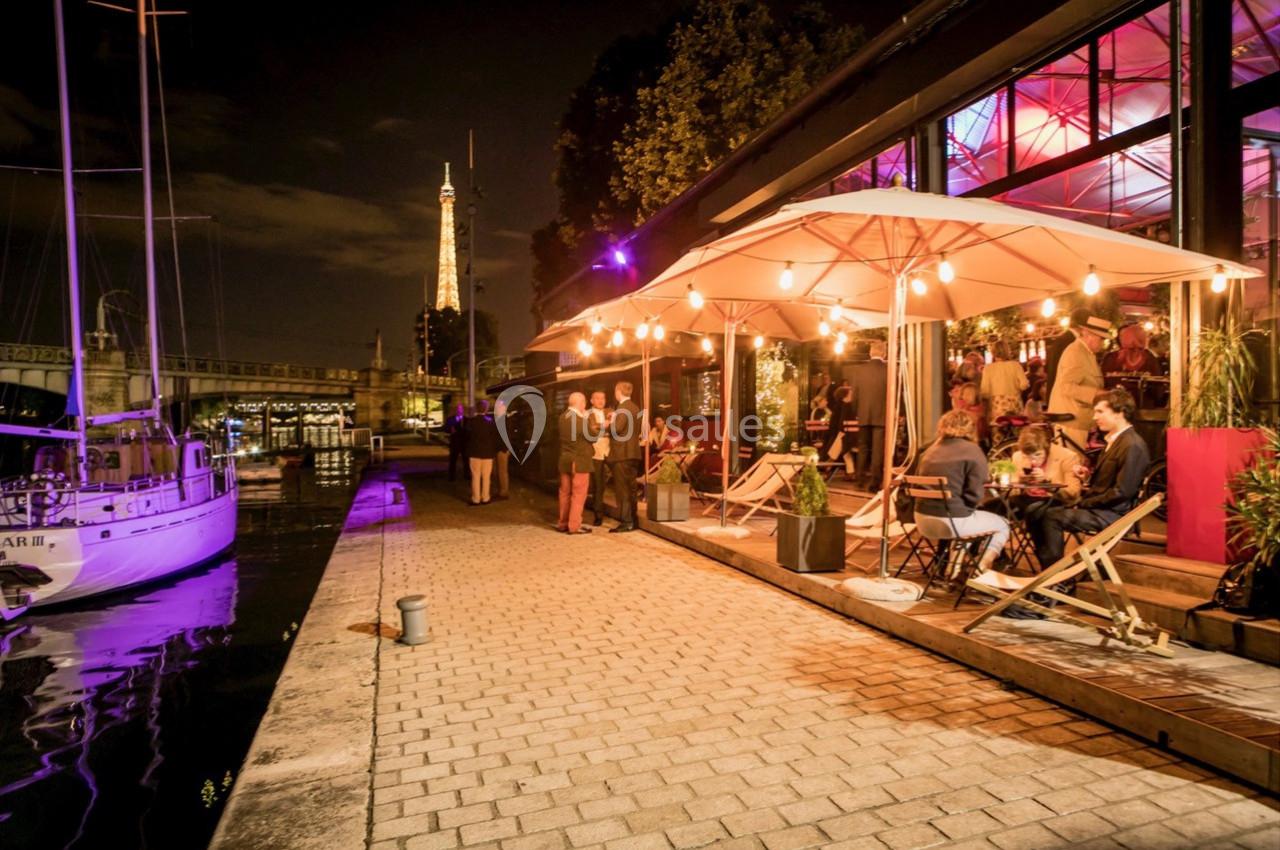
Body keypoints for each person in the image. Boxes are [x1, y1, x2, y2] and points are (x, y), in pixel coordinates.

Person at [1027, 388, 1150, 569]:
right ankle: (1048, 568)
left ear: (1119, 413)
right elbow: (1111, 481)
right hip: (1101, 508)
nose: (1094, 417)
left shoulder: (1132, 445)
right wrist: (1087, 477)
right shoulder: (1115, 441)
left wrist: (1086, 503)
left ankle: (1055, 577)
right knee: (1034, 511)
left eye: (1100, 411)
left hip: (1112, 514)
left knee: (1052, 516)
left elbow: (1122, 491)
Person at [914, 409, 1010, 574]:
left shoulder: (928, 451)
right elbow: (974, 495)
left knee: (969, 521)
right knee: (1002, 524)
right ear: (970, 428)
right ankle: (982, 566)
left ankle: (954, 568)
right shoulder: (972, 450)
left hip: (922, 520)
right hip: (952, 522)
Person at [1047, 314, 1111, 452]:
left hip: (1078, 418)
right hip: (1071, 419)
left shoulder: (1085, 352)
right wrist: (1097, 393)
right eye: (1101, 339)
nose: (1103, 343)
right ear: (1089, 335)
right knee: (1073, 465)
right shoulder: (1076, 353)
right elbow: (1067, 387)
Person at [1006, 425, 1081, 518]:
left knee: (1033, 510)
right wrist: (1020, 482)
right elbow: (1012, 492)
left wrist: (1046, 482)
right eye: (1028, 456)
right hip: (1026, 498)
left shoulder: (1068, 457)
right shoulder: (1018, 456)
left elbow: (1073, 493)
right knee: (990, 506)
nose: (1033, 461)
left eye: (1038, 455)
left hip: (1054, 500)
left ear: (1047, 448)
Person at [847, 340, 888, 491]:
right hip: (882, 416)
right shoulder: (889, 370)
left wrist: (857, 412)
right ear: (884, 353)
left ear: (870, 353)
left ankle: (859, 479)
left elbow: (854, 396)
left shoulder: (859, 371)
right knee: (878, 450)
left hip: (863, 414)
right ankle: (874, 482)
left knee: (863, 447)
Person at [557, 391, 599, 534]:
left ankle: (562, 523)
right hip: (579, 461)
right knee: (578, 494)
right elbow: (593, 437)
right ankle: (574, 525)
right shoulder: (580, 420)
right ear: (581, 404)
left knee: (564, 493)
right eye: (584, 403)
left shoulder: (562, 417)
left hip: (565, 461)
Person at [607, 380, 642, 532]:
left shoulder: (622, 408)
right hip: (634, 452)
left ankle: (626, 522)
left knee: (622, 489)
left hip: (621, 454)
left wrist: (609, 422)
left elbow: (617, 429)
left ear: (618, 392)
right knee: (632, 488)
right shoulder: (635, 407)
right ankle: (634, 520)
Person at [980, 339, 1029, 432]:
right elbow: (1024, 385)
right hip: (1014, 402)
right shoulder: (1015, 365)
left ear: (993, 352)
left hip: (997, 404)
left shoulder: (988, 368)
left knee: (998, 433)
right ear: (1007, 351)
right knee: (1017, 432)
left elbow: (985, 391)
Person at [464, 399, 499, 505]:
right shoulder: (490, 422)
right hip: (487, 453)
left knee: (475, 476)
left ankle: (476, 498)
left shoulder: (471, 422)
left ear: (476, 408)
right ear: (486, 409)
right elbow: (494, 438)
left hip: (474, 452)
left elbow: (466, 437)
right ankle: (485, 497)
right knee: (486, 477)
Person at [588, 390, 611, 526]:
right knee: (597, 485)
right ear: (591, 401)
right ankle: (598, 515)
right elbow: (592, 430)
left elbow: (616, 427)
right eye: (597, 398)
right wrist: (604, 426)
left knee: (607, 483)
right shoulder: (588, 414)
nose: (601, 401)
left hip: (610, 451)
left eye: (603, 398)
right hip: (596, 452)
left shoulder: (609, 411)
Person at [492, 399, 511, 500]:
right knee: (497, 471)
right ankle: (500, 490)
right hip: (497, 448)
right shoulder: (498, 419)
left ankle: (503, 492)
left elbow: (507, 436)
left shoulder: (504, 420)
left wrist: (506, 449)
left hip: (502, 449)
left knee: (502, 471)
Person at [444, 403, 467, 482]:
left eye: (460, 409)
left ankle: (467, 475)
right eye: (458, 409)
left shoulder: (466, 419)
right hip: (454, 443)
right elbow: (446, 429)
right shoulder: (450, 419)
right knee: (452, 461)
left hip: (464, 444)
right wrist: (450, 430)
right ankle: (451, 477)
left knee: (466, 461)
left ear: (462, 410)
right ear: (456, 410)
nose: (459, 410)